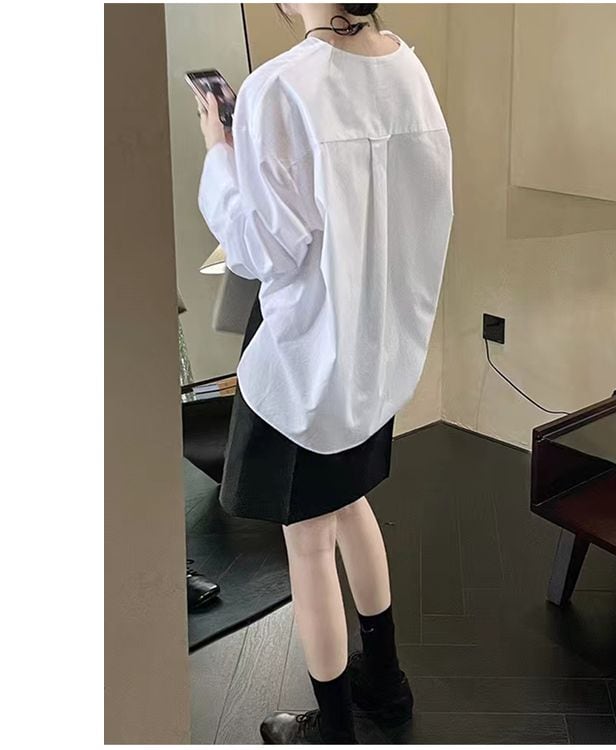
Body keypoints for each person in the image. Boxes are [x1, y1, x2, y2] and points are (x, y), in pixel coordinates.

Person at [195, 2, 453, 744]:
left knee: (308, 542)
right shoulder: (407, 67)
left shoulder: (280, 86)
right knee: (350, 504)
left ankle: (334, 730)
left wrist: (219, 150)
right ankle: (387, 689)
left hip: (306, 363)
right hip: (379, 356)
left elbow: (258, 250)